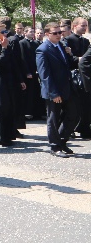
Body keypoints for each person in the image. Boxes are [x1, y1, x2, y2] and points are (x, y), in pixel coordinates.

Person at [38, 22, 79, 158]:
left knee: (73, 114)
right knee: (53, 119)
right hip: (54, 90)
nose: (58, 35)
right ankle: (55, 147)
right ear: (47, 34)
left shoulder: (61, 46)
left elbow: (69, 65)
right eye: (55, 33)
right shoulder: (43, 49)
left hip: (67, 87)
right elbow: (45, 74)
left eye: (60, 32)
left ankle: (62, 140)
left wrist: (70, 54)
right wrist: (53, 93)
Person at [0, 22, 24, 147]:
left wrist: (20, 80)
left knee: (9, 106)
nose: (5, 34)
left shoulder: (8, 45)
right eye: (2, 32)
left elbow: (14, 63)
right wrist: (4, 49)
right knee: (1, 105)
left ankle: (8, 134)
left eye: (6, 32)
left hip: (9, 78)